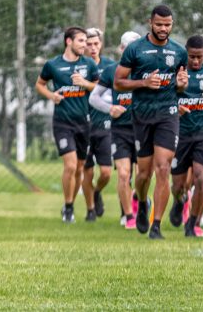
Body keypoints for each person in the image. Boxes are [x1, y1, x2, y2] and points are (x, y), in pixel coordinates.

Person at [114, 5, 188, 239]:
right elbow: (118, 82)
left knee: (163, 168)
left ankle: (156, 225)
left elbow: (180, 86)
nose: (163, 29)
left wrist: (181, 84)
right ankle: (142, 200)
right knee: (144, 174)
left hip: (168, 114)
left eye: (167, 25)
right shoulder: (135, 49)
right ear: (150, 23)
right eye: (159, 24)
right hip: (142, 116)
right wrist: (143, 83)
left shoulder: (179, 51)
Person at [35, 27, 100, 223]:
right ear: (68, 42)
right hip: (62, 123)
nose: (85, 45)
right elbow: (39, 84)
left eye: (86, 41)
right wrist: (51, 96)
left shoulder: (89, 64)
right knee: (70, 166)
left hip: (84, 123)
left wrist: (85, 84)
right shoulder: (53, 65)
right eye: (81, 41)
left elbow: (99, 87)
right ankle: (68, 207)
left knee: (80, 168)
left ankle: (73, 205)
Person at [89, 30, 141, 229]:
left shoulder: (146, 70)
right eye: (128, 48)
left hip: (143, 128)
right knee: (123, 174)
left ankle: (139, 201)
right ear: (121, 49)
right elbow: (94, 98)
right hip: (120, 130)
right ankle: (128, 216)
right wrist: (110, 108)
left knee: (143, 176)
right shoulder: (112, 71)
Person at [169, 35, 203, 237]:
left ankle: (193, 222)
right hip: (179, 133)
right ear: (186, 54)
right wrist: (175, 106)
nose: (196, 61)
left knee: (201, 178)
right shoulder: (176, 72)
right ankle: (179, 200)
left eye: (199, 56)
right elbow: (163, 97)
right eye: (192, 57)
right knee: (178, 185)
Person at [81, 27, 116, 222]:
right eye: (88, 44)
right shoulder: (78, 67)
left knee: (106, 172)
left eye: (96, 44)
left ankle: (96, 192)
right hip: (83, 126)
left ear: (101, 44)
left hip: (105, 125)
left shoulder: (110, 66)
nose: (92, 48)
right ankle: (90, 210)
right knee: (86, 170)